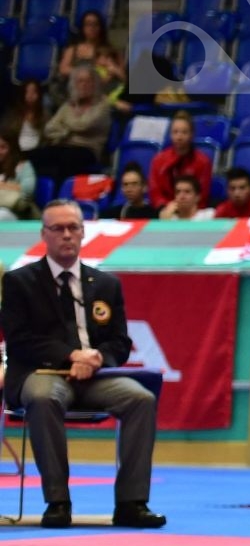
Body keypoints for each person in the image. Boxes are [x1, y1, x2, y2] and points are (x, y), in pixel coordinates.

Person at [1, 200, 165, 529]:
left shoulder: (106, 284)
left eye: (73, 228)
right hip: (41, 373)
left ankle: (132, 503)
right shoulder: (20, 282)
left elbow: (121, 342)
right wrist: (70, 356)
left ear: (83, 233)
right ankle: (58, 502)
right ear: (43, 235)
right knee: (45, 398)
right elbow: (20, 339)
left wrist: (97, 358)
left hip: (94, 376)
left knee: (140, 399)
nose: (66, 235)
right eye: (58, 229)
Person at [148, 112, 214, 208]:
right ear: (170, 134)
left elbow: (202, 195)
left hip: (193, 213)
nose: (179, 137)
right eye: (175, 132)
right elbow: (155, 192)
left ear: (192, 134)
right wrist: (167, 207)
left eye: (184, 132)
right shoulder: (158, 160)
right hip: (165, 211)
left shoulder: (203, 162)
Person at [0, 132, 36, 220]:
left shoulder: (23, 166)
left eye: (3, 147)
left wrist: (3, 186)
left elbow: (28, 190)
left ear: (12, 148)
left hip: (16, 211)